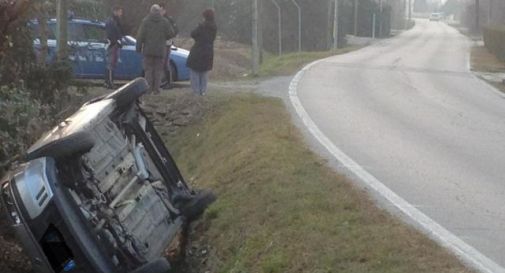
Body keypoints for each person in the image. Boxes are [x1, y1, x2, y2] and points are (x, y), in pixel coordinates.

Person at [136, 4, 176, 94]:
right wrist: (164, 37)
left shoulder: (145, 21)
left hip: (148, 50)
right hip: (160, 50)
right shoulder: (165, 22)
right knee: (158, 70)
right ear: (159, 12)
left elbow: (140, 36)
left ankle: (148, 89)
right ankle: (156, 90)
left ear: (151, 11)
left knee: (148, 70)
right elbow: (171, 33)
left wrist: (138, 48)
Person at [186, 9, 217, 96]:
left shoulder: (202, 26)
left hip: (198, 50)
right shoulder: (214, 27)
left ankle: (196, 91)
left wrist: (199, 26)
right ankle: (203, 91)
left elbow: (193, 34)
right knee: (204, 71)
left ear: (205, 17)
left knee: (194, 70)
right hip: (208, 51)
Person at [104, 6, 124, 89]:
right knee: (111, 64)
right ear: (115, 11)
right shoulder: (112, 21)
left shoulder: (115, 21)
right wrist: (116, 41)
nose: (121, 14)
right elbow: (112, 33)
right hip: (113, 45)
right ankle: (109, 82)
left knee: (112, 64)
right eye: (120, 12)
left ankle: (108, 81)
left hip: (115, 44)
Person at [160, 3, 178, 89]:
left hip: (167, 43)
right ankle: (164, 81)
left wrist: (169, 36)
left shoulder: (168, 20)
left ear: (164, 10)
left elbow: (176, 30)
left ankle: (168, 81)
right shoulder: (158, 19)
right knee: (161, 63)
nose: (160, 12)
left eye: (161, 10)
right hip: (160, 43)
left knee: (165, 63)